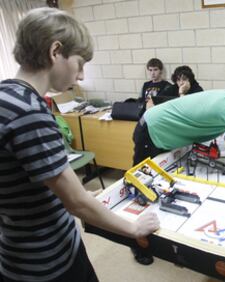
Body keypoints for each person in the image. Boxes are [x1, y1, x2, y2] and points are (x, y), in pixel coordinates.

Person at [0, 7, 159, 282]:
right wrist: (134, 228)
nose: (82, 76)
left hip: (15, 252)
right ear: (55, 52)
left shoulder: (6, 95)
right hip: (49, 263)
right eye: (80, 63)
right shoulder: (30, 113)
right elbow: (77, 202)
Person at [132, 65, 203, 165]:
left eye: (184, 79)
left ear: (190, 80)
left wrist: (182, 93)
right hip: (154, 129)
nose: (181, 83)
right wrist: (151, 111)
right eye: (178, 80)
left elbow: (187, 110)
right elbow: (154, 100)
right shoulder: (172, 88)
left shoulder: (197, 90)